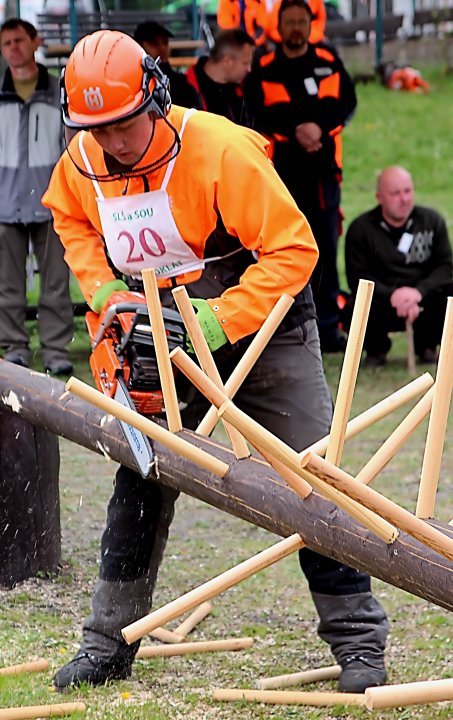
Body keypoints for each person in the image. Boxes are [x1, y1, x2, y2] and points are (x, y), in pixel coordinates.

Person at [42, 29, 388, 694]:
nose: (111, 143)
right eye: (96, 129)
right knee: (139, 477)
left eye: (123, 126)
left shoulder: (221, 149)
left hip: (262, 323)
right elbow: (71, 222)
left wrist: (219, 317)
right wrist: (105, 292)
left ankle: (358, 644)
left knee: (310, 478)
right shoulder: (83, 159)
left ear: (156, 98)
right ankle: (105, 643)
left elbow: (294, 251)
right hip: (156, 330)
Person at [248, 0, 356, 352]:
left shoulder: (328, 61)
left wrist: (318, 130)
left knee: (325, 247)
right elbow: (256, 114)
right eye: (289, 22)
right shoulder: (263, 66)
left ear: (311, 24)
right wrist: (295, 131)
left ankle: (328, 328)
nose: (295, 27)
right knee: (284, 250)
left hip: (324, 174)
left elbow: (347, 104)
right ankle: (287, 329)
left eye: (301, 21)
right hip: (282, 177)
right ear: (278, 25)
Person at [0, 17, 74, 374]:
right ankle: (14, 348)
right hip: (4, 206)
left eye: (19, 40)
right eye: (6, 43)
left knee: (56, 286)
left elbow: (75, 150)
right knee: (9, 288)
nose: (13, 47)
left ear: (35, 41)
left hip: (53, 206)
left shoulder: (60, 92)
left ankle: (56, 351)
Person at [344, 166, 453, 366]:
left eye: (407, 191)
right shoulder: (361, 229)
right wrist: (391, 295)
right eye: (395, 193)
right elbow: (356, 276)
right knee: (352, 305)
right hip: (383, 300)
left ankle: (428, 346)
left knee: (449, 293)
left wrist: (419, 292)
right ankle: (376, 349)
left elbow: (446, 267)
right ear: (379, 197)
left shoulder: (431, 222)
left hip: (424, 298)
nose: (404, 199)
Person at [185, 29, 255, 124]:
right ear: (227, 61)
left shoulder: (244, 89)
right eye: (245, 63)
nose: (249, 69)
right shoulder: (185, 90)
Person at [133, 20, 202, 109]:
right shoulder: (133, 82)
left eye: (165, 42)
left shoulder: (182, 85)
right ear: (140, 45)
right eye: (154, 43)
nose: (162, 48)